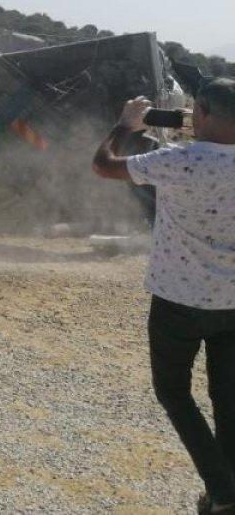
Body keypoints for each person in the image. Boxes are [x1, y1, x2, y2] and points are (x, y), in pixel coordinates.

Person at [93, 78, 235, 514]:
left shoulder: (180, 160)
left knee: (173, 393)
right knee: (228, 400)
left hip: (178, 301)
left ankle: (224, 492)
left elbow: (104, 164)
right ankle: (222, 495)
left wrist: (125, 125)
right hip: (232, 304)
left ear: (205, 113)